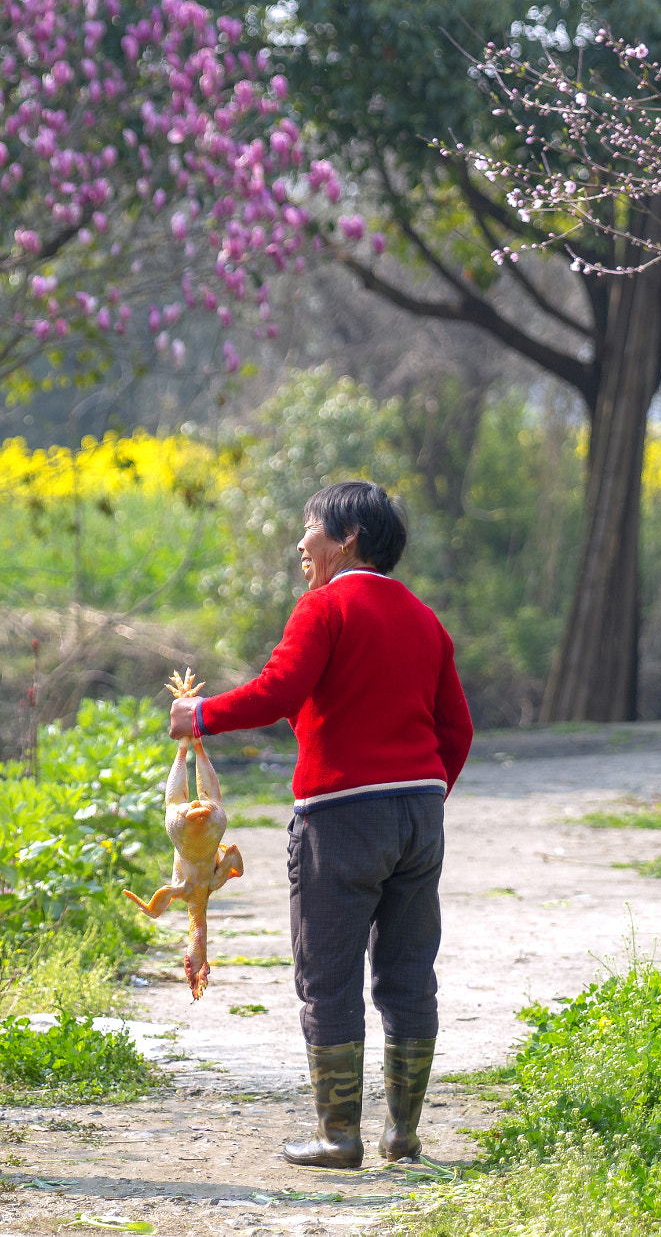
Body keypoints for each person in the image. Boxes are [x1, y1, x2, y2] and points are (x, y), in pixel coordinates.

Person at [170, 480, 472, 1170]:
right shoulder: (426, 618)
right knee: (407, 973)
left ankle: (339, 1136)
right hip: (418, 817)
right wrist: (425, 795)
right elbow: (458, 728)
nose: (301, 543)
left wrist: (203, 715)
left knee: (327, 975)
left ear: (348, 537)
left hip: (340, 817)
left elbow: (281, 688)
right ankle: (403, 1134)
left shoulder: (325, 606)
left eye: (310, 527)